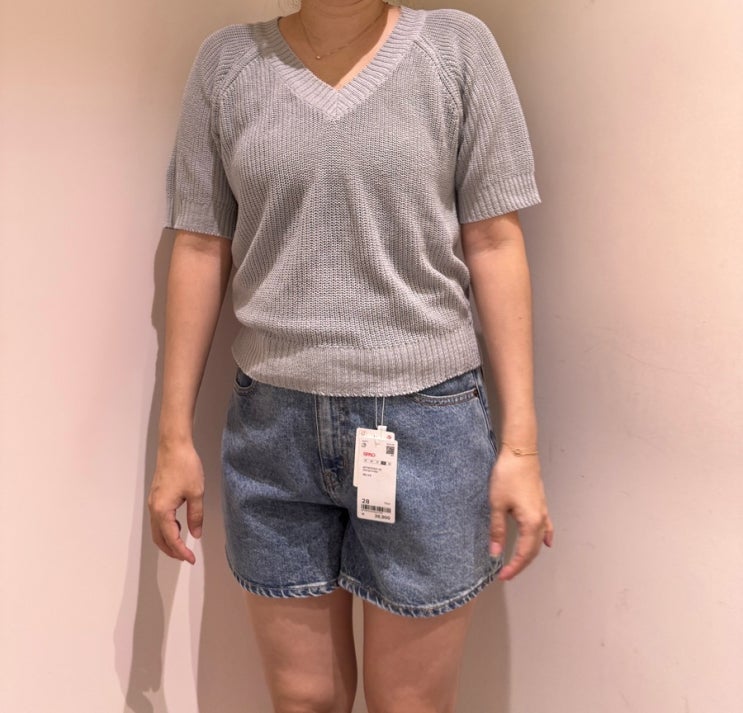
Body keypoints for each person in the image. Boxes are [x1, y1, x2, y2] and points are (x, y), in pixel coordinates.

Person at [148, 0, 554, 710]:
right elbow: (201, 245)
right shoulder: (227, 64)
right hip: (272, 432)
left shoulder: (456, 50)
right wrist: (173, 438)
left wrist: (520, 446)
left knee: (409, 703)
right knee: (303, 699)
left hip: (427, 424)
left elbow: (494, 240)